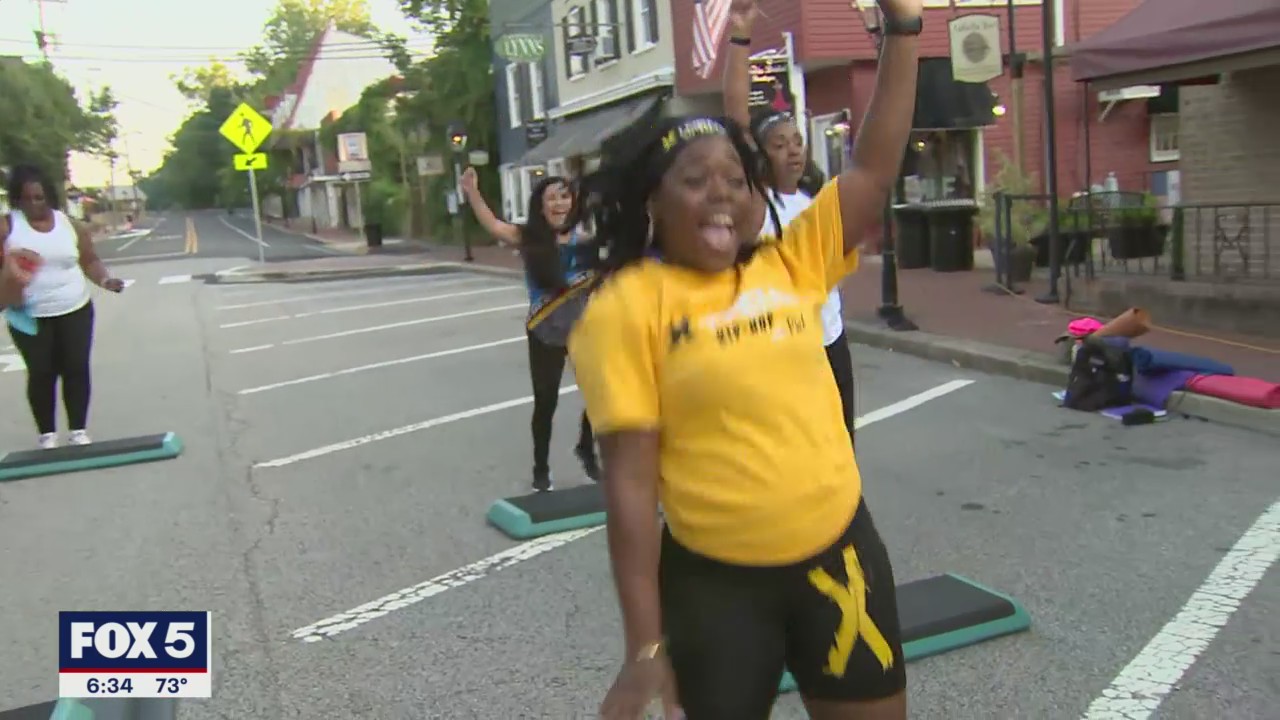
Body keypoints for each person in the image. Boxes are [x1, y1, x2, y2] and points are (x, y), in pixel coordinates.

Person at [567, 0, 922, 717]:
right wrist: (644, 651)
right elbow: (632, 490)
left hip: (840, 559)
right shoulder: (627, 305)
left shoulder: (793, 260)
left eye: (735, 176)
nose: (722, 193)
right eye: (696, 179)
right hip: (717, 588)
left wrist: (906, 27)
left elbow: (875, 168)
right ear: (651, 205)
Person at [725, 0, 857, 446]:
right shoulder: (755, 204)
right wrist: (740, 38)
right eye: (780, 144)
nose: (794, 150)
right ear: (761, 155)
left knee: (841, 447)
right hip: (778, 350)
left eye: (798, 141)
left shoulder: (816, 201)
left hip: (829, 342)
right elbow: (736, 122)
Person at [459, 167, 600, 492]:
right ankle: (541, 467)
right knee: (546, 402)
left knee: (599, 394)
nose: (560, 203)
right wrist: (473, 193)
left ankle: (586, 449)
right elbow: (493, 224)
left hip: (583, 330)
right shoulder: (529, 238)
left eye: (565, 196)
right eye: (552, 198)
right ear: (541, 206)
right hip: (544, 330)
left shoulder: (586, 241)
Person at [2, 164, 126, 449]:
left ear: (50, 196)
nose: (34, 204)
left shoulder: (71, 225)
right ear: (17, 200)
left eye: (39, 197)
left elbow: (89, 260)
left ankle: (78, 431)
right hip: (28, 315)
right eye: (26, 199)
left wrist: (105, 280)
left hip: (74, 308)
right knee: (41, 370)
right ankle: (47, 434)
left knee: (75, 367)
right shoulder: (8, 226)